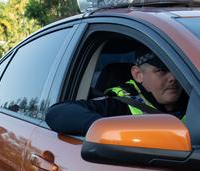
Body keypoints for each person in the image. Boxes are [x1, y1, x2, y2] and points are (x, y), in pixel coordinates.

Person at [45, 50, 188, 136]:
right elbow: (56, 112)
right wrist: (109, 130)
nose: (173, 78)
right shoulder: (120, 105)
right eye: (161, 70)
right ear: (138, 75)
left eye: (177, 70)